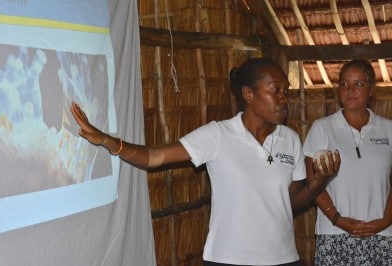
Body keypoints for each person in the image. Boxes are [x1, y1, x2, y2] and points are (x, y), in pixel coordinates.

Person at [71, 57, 340, 266]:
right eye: (276, 90)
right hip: (229, 258)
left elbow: (288, 204)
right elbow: (155, 157)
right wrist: (108, 141)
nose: (284, 98)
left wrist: (319, 182)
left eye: (286, 91)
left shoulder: (290, 139)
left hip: (283, 257)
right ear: (248, 94)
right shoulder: (218, 135)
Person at [303, 59, 392, 265]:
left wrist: (386, 220)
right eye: (344, 84)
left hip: (381, 233)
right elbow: (311, 180)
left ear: (371, 89)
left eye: (358, 84)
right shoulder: (322, 128)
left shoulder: (388, 128)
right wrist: (337, 219)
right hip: (333, 233)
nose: (350, 89)